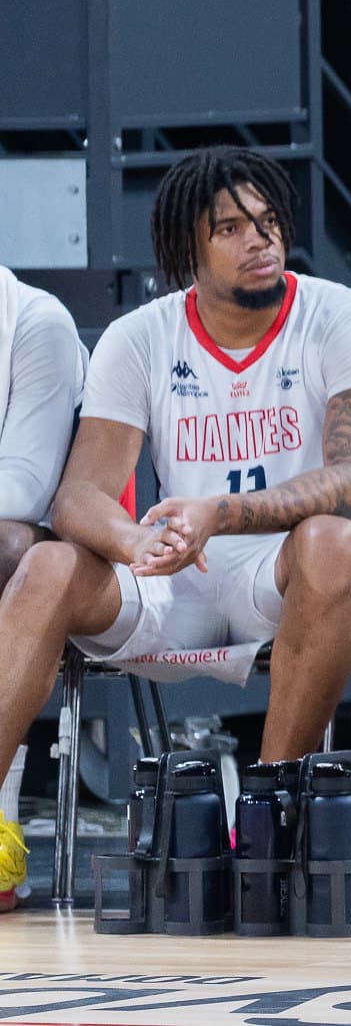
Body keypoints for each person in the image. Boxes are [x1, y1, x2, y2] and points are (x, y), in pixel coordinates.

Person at [0, 148, 351, 912]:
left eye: (269, 220)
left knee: (335, 541)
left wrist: (216, 512)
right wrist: (130, 542)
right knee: (50, 564)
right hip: (177, 573)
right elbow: (79, 492)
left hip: (285, 575)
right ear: (188, 250)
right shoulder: (140, 335)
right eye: (232, 227)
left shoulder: (348, 319)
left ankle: (269, 824)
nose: (261, 239)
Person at [0, 263, 88, 913]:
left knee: (6, 543)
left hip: (40, 565)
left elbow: (25, 490)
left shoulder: (37, 323)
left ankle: (1, 820)